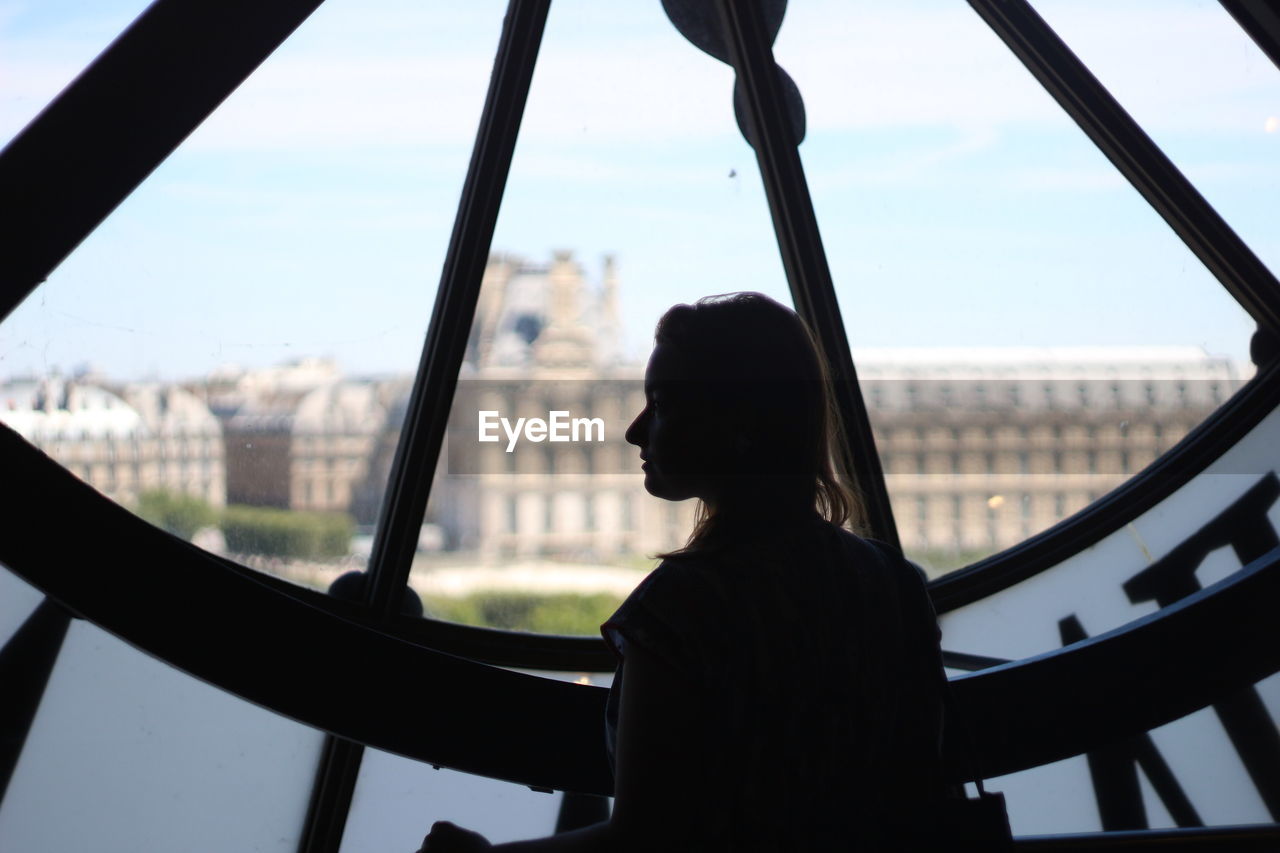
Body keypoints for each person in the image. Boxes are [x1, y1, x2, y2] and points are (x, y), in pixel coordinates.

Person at [418, 293, 948, 852]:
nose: (634, 430)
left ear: (738, 425)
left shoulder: (684, 607)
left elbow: (648, 838)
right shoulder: (895, 582)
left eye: (663, 404)